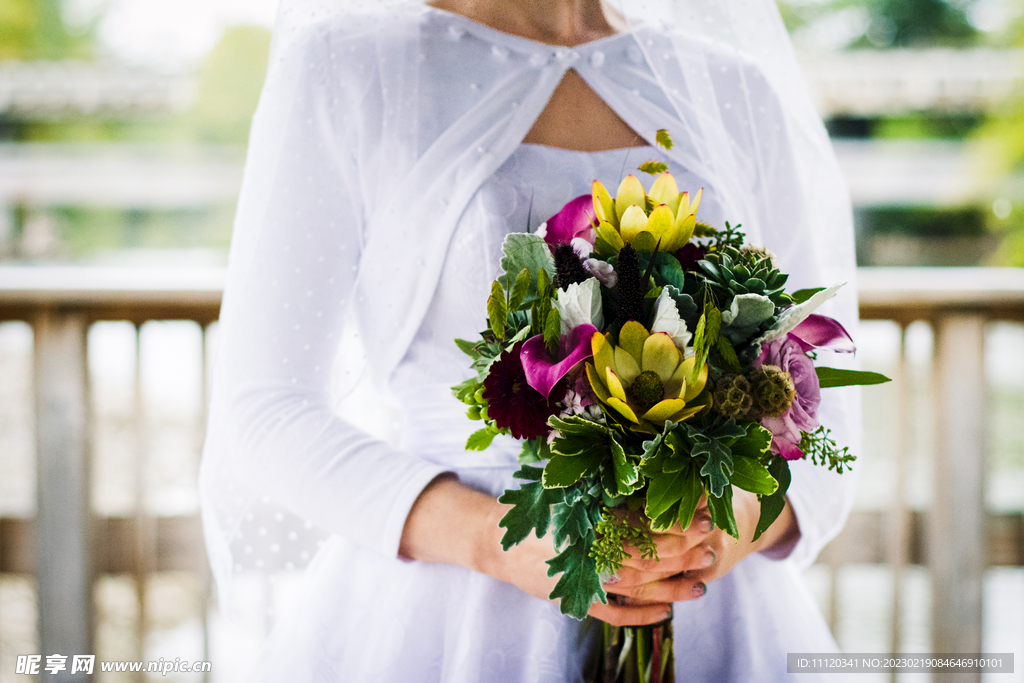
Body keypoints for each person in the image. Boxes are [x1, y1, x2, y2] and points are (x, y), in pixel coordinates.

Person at [199, 0, 862, 680]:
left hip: (714, 612)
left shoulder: (731, 86)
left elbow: (825, 395)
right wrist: (500, 541)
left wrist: (713, 534)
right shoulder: (350, 67)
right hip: (456, 609)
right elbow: (264, 409)